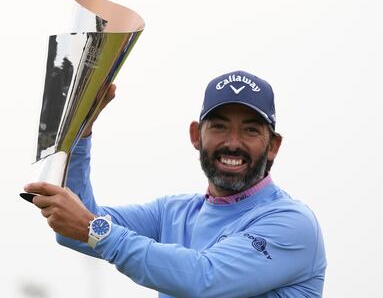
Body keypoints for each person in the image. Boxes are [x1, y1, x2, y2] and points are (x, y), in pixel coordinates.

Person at [24, 70, 327, 298]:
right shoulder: (172, 213)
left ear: (273, 145)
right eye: (219, 126)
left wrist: (95, 231)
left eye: (250, 130)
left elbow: (203, 278)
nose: (233, 143)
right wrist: (80, 135)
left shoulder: (292, 223)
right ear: (196, 135)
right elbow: (76, 231)